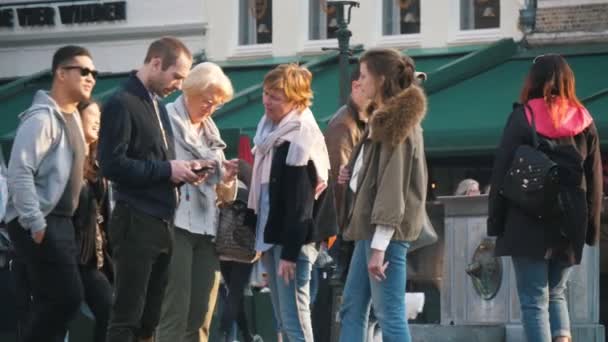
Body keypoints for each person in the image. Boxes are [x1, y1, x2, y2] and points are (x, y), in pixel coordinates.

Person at [487, 54, 602, 342]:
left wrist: (495, 224)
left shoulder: (522, 117)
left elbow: (500, 173)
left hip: (527, 220)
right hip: (570, 220)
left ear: (533, 81)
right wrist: (591, 229)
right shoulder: (585, 120)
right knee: (556, 294)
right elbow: (595, 179)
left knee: (534, 299)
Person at [98, 36, 202, 342]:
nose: (180, 85)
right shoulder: (122, 102)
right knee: (128, 316)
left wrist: (182, 172)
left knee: (149, 319)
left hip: (161, 220)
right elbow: (112, 165)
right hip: (136, 220)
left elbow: (155, 163)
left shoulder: (154, 104)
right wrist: (169, 170)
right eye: (177, 76)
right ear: (156, 63)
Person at [4, 45, 97, 342]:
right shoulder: (41, 119)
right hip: (41, 221)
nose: (90, 78)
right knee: (68, 298)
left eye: (94, 73)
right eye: (83, 71)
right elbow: (20, 171)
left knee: (54, 302)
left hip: (61, 223)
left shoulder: (72, 119)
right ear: (60, 73)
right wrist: (36, 222)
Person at [337, 48, 428, 342]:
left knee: (388, 313)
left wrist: (379, 248)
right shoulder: (384, 119)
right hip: (373, 231)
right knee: (353, 307)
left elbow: (393, 187)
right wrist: (352, 177)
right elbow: (379, 177)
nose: (359, 82)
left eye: (364, 75)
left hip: (384, 234)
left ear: (381, 79)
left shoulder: (395, 123)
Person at [248, 63, 335, 342]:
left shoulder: (299, 138)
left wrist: (289, 252)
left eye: (276, 96)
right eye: (265, 93)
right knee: (285, 320)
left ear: (296, 100)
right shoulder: (272, 134)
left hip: (291, 243)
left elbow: (300, 202)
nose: (267, 101)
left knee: (295, 319)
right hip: (275, 237)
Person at [156, 62, 238, 342]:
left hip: (208, 227)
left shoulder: (211, 133)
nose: (210, 108)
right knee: (174, 310)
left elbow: (224, 195)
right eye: (207, 101)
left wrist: (225, 177)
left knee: (202, 312)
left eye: (217, 104)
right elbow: (151, 169)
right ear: (190, 92)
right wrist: (183, 170)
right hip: (175, 221)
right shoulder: (164, 121)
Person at [73, 99, 113, 342]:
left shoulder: (98, 165)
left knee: (112, 313)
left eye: (100, 116)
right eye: (92, 116)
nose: (98, 121)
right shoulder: (68, 159)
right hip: (76, 255)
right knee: (107, 310)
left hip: (100, 256)